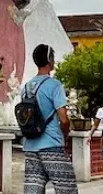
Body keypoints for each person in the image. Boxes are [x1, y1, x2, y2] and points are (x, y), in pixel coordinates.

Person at [22, 44, 78, 194]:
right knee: (67, 189)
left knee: (33, 189)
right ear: (49, 60)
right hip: (52, 145)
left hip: (30, 146)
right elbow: (64, 120)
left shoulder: (26, 87)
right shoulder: (54, 85)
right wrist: (64, 136)